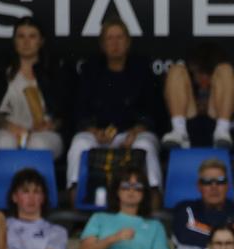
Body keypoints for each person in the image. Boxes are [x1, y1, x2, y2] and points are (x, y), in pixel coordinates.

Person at [65, 18, 163, 192]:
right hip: (99, 135)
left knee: (145, 146)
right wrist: (94, 131)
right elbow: (80, 110)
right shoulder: (91, 70)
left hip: (134, 134)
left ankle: (154, 195)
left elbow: (153, 110)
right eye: (110, 38)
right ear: (102, 44)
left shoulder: (141, 69)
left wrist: (137, 130)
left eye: (120, 37)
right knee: (79, 144)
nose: (115, 43)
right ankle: (75, 195)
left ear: (128, 42)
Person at [79, 173, 169, 249]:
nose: (131, 190)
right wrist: (113, 238)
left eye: (137, 186)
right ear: (117, 190)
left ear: (144, 192)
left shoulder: (155, 225)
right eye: (126, 186)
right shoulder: (99, 218)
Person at [0, 17, 65, 157]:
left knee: (37, 144)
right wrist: (9, 127)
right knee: (3, 143)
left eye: (32, 36)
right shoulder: (1, 74)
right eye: (21, 36)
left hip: (45, 134)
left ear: (41, 41)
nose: (26, 42)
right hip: (8, 131)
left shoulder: (54, 74)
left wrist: (51, 125)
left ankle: (34, 180)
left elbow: (64, 114)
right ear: (14, 41)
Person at [162, 43, 234, 151]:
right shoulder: (186, 86)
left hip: (222, 138)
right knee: (176, 70)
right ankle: (179, 131)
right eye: (199, 73)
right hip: (187, 134)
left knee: (225, 69)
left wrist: (228, 117)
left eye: (208, 74)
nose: (203, 78)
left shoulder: (230, 87)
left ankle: (222, 129)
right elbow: (160, 124)